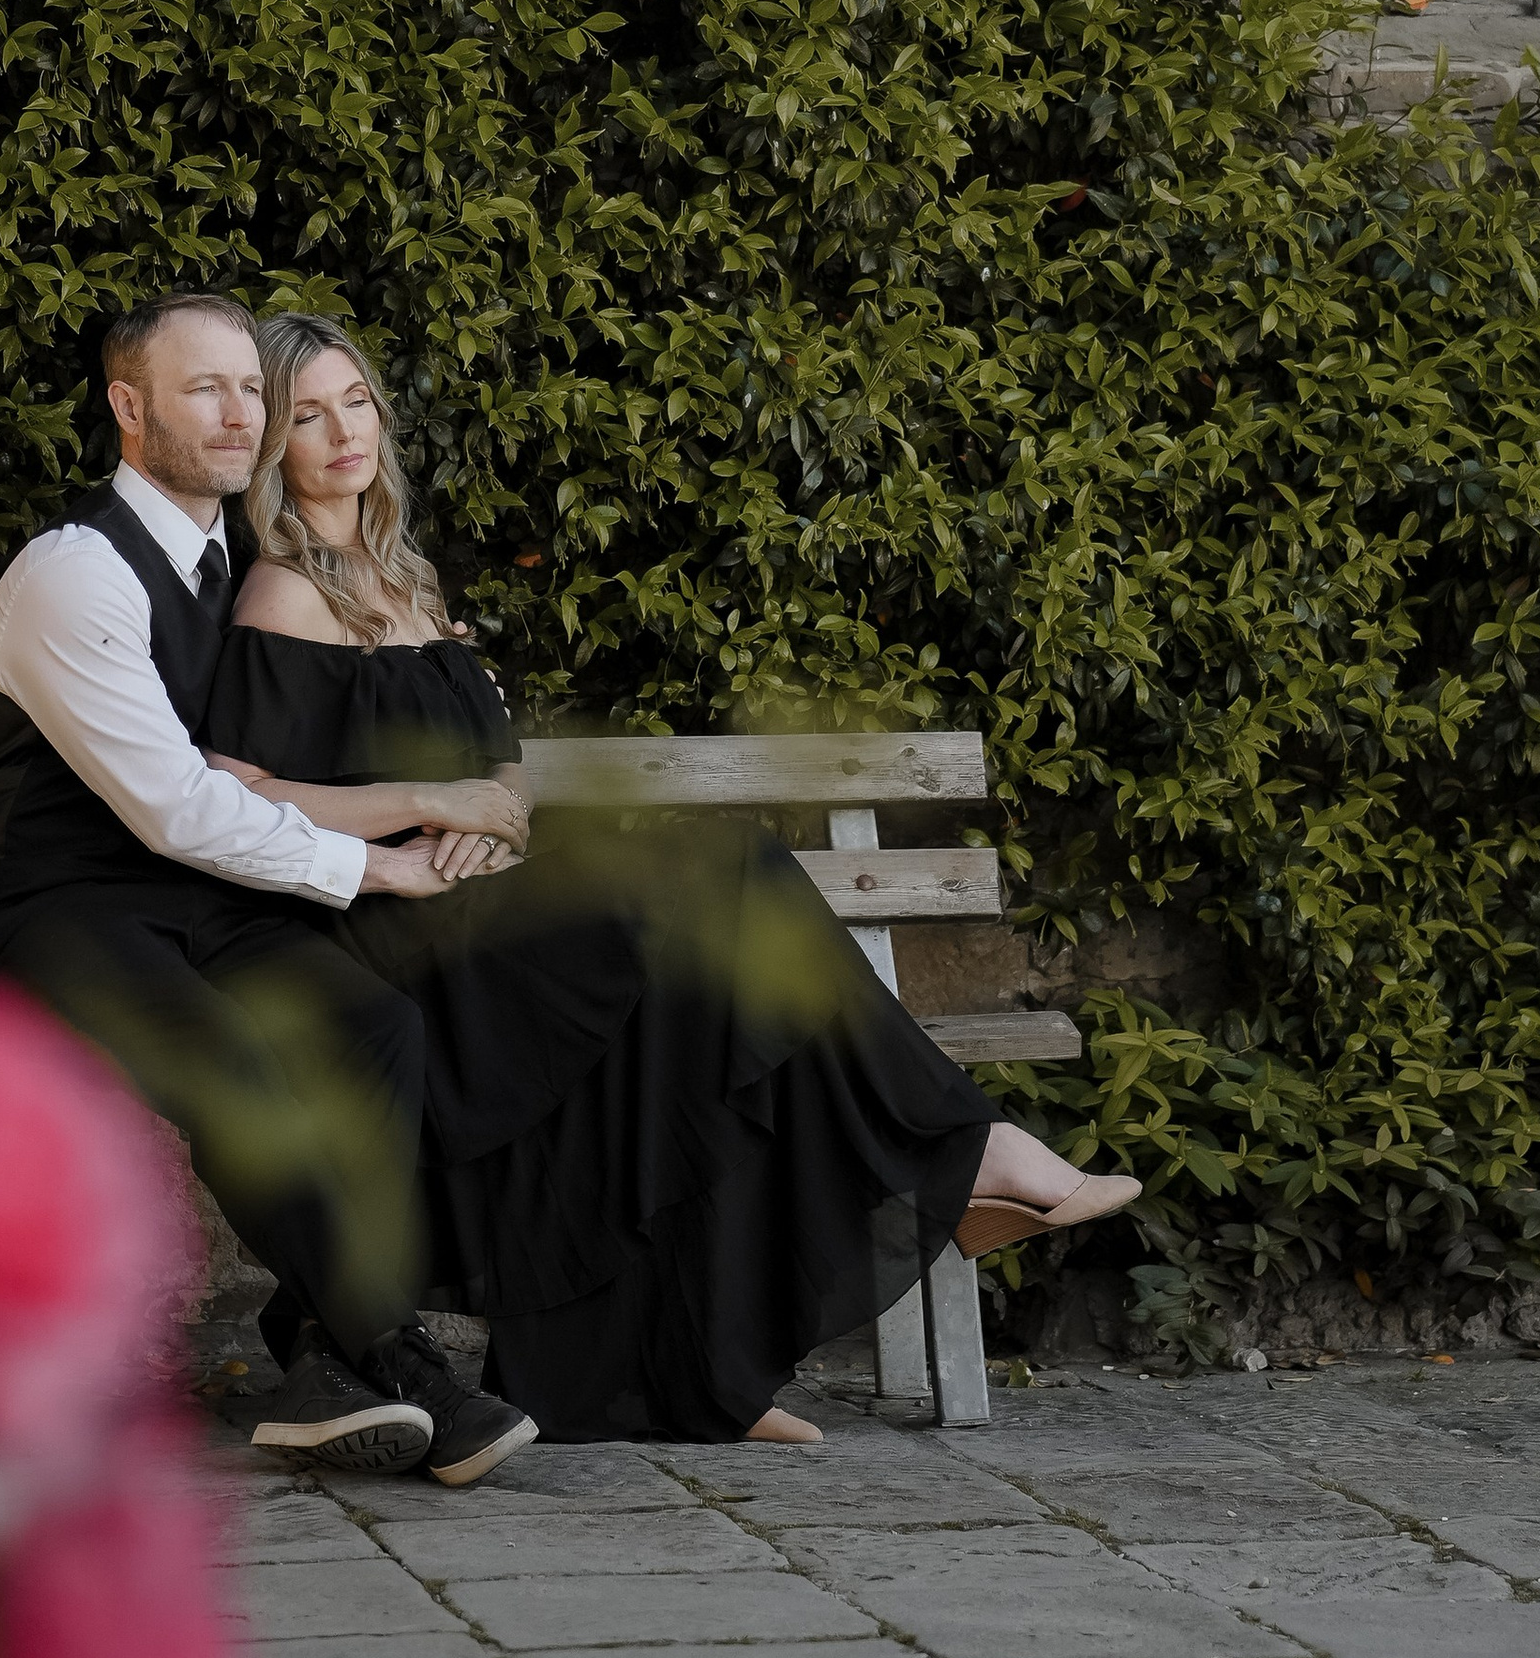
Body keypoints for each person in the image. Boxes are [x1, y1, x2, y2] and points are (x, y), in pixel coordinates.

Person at [199, 310, 1140, 1446]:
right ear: (271, 449)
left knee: (703, 1001)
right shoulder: (282, 596)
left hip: (485, 902)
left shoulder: (408, 580)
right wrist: (420, 815)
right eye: (307, 413)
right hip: (398, 941)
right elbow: (241, 791)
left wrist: (489, 823)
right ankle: (966, 1148)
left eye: (355, 401)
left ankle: (693, 1376)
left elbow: (499, 776)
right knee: (728, 870)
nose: (341, 431)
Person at [0, 292, 541, 1487]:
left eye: (247, 389)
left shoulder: (235, 566)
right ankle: (398, 1358)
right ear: (129, 407)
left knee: (372, 1024)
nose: (237, 412)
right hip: (51, 912)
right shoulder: (73, 573)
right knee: (235, 1062)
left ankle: (324, 1357)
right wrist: (381, 863)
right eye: (201, 388)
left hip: (194, 902)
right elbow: (175, 803)